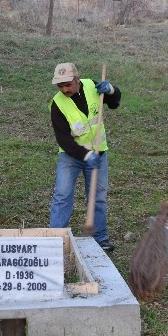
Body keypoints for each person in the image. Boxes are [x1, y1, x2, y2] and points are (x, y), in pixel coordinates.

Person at [49, 62, 121, 252]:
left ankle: (100, 239)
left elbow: (114, 103)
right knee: (62, 195)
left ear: (77, 79)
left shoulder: (92, 86)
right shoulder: (57, 104)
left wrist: (112, 90)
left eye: (68, 85)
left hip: (99, 152)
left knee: (97, 196)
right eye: (60, 86)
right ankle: (56, 239)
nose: (64, 89)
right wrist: (85, 154)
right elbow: (63, 140)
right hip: (70, 155)